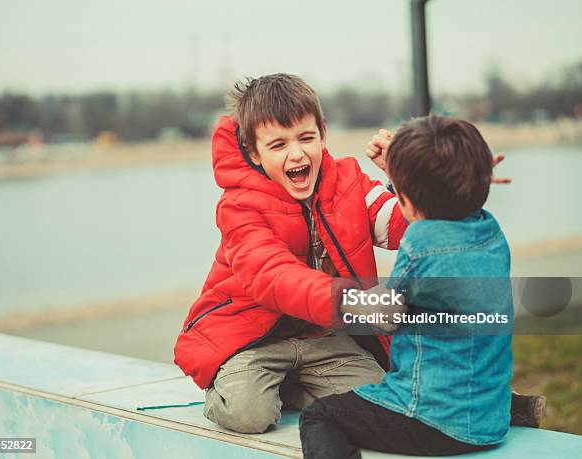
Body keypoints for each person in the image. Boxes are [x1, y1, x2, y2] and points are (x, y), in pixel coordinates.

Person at [174, 73, 408, 434]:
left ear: (322, 133)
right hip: (251, 342)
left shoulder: (348, 182)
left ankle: (295, 386)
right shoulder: (238, 206)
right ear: (253, 152)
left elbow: (399, 229)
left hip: (324, 340)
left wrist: (409, 179)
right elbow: (272, 275)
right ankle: (234, 387)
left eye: (306, 138)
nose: (297, 153)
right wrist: (353, 304)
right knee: (249, 413)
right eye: (278, 144)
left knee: (383, 401)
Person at [299, 115, 543, 458]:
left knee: (319, 416)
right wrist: (403, 172)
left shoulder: (420, 242)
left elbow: (387, 315)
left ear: (408, 204)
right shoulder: (491, 231)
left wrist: (344, 300)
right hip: (490, 418)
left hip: (430, 420)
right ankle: (516, 407)